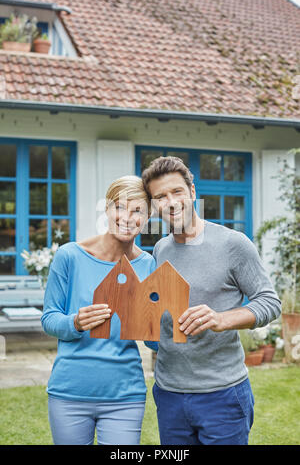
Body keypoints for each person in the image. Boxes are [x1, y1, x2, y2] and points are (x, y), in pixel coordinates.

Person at [142, 156, 281, 445]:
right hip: (169, 392)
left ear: (192, 192)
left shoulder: (233, 243)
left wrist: (221, 319)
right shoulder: (160, 249)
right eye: (160, 197)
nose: (170, 202)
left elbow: (269, 302)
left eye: (177, 191)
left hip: (223, 393)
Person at [41, 175, 155, 445]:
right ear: (107, 209)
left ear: (148, 217)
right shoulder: (70, 256)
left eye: (138, 210)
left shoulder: (147, 265)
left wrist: (171, 328)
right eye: (120, 207)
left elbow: (152, 337)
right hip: (70, 393)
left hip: (125, 396)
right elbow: (49, 318)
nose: (127, 217)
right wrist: (75, 323)